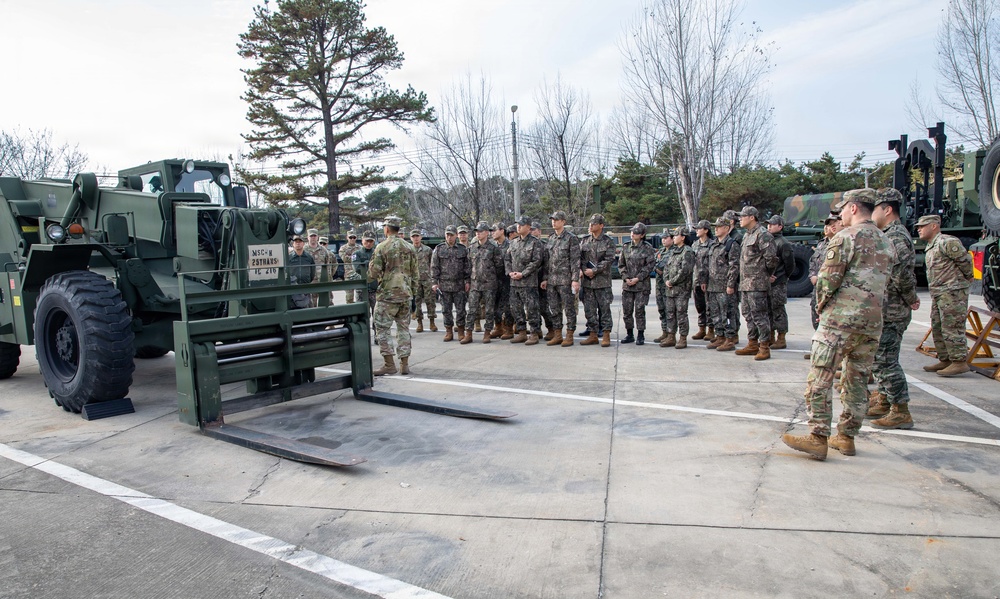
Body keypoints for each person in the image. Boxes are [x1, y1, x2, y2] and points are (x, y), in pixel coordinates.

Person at [782, 189, 894, 460]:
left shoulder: (845, 237)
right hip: (871, 323)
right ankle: (846, 437)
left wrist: (821, 308)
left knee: (820, 377)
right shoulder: (886, 241)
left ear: (853, 208)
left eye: (843, 208)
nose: (841, 214)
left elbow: (828, 280)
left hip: (840, 321)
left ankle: (818, 437)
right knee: (857, 381)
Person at [867, 188, 920, 429]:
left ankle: (900, 410)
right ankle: (886, 400)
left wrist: (911, 298)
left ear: (887, 210)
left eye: (875, 210)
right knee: (881, 358)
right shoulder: (888, 234)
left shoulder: (896, 236)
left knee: (886, 360)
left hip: (893, 309)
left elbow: (901, 274)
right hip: (885, 308)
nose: (871, 215)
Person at [917, 214, 974, 377]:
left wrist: (966, 278)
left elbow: (965, 261)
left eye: (922, 226)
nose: (919, 229)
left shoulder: (947, 242)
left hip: (952, 292)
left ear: (934, 226)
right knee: (938, 326)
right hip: (939, 292)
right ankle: (946, 359)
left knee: (952, 326)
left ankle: (959, 362)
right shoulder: (931, 245)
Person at [367, 216, 418, 376]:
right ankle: (404, 365)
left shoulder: (382, 247)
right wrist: (413, 294)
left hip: (387, 296)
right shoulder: (410, 247)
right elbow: (415, 274)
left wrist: (365, 277)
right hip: (405, 294)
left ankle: (389, 364)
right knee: (403, 329)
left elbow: (373, 272)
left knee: (382, 328)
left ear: (387, 228)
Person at [735, 206, 778, 360]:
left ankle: (764, 346)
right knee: (748, 314)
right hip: (746, 283)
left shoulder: (763, 235)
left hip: (757, 283)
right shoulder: (747, 235)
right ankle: (752, 343)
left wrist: (765, 275)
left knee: (760, 316)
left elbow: (771, 259)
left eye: (743, 216)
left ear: (752, 217)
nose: (740, 219)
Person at [542, 211, 581, 347]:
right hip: (552, 280)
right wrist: (545, 278)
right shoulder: (551, 238)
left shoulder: (571, 238)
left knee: (569, 309)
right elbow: (547, 261)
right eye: (552, 219)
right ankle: (557, 334)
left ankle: (569, 335)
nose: (554, 222)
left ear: (563, 221)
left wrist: (575, 279)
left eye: (557, 220)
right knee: (554, 309)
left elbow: (575, 261)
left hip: (566, 280)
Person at [505, 215, 546, 345]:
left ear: (528, 227)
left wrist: (523, 274)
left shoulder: (535, 242)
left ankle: (534, 333)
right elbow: (507, 259)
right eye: (517, 224)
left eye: (521, 225)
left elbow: (536, 261)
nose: (518, 227)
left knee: (532, 308)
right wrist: (510, 272)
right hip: (514, 282)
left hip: (528, 282)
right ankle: (522, 332)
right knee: (515, 308)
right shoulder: (513, 242)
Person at [463, 221, 504, 344]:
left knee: (489, 310)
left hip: (489, 284)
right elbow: (468, 266)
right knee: (472, 309)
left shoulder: (493, 248)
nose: (478, 233)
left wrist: (491, 278)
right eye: (477, 231)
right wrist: (468, 281)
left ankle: (487, 333)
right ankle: (468, 333)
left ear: (486, 233)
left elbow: (499, 266)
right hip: (475, 284)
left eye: (480, 231)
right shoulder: (472, 247)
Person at [579, 214, 617, 347]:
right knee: (589, 310)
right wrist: (584, 270)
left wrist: (594, 271)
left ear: (601, 225)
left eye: (594, 223)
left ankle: (606, 335)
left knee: (604, 309)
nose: (591, 225)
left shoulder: (608, 241)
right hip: (588, 282)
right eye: (590, 223)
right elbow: (580, 258)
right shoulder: (585, 240)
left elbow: (609, 260)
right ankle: (593, 335)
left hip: (602, 282)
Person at [705, 215, 741, 351]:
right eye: (715, 227)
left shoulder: (731, 244)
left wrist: (731, 284)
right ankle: (720, 336)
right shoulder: (713, 244)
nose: (716, 229)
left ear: (726, 228)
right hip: (713, 285)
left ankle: (730, 339)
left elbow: (734, 266)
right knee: (715, 313)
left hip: (725, 286)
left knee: (728, 313)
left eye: (719, 227)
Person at [618, 222, 656, 345]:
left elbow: (650, 265)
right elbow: (621, 264)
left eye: (636, 232)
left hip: (641, 286)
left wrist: (638, 278)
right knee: (627, 311)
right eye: (632, 232)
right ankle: (629, 334)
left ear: (642, 235)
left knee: (639, 311)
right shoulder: (626, 247)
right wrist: (625, 277)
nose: (632, 234)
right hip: (628, 285)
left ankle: (640, 334)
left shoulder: (647, 248)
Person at [431, 225, 470, 342]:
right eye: (447, 235)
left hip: (459, 285)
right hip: (444, 285)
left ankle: (461, 330)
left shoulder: (462, 249)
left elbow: (467, 267)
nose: (449, 237)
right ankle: (449, 331)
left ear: (456, 236)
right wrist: (434, 282)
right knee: (446, 310)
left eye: (451, 235)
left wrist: (467, 281)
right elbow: (434, 267)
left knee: (461, 310)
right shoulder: (439, 249)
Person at [660, 226, 695, 348]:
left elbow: (685, 271)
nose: (674, 237)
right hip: (670, 289)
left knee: (681, 314)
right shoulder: (674, 251)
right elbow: (666, 268)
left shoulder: (687, 251)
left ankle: (683, 338)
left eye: (676, 235)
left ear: (683, 237)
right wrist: (666, 280)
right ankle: (671, 336)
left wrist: (672, 281)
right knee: (670, 313)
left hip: (681, 289)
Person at [766, 215, 795, 350]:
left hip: (778, 282)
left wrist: (782, 276)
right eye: (768, 224)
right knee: (768, 310)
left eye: (772, 224)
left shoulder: (783, 243)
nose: (769, 227)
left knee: (778, 310)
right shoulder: (769, 241)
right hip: (767, 282)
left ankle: (781, 337)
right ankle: (770, 336)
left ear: (780, 227)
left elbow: (790, 265)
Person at [531, 221, 556, 339]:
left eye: (534, 229)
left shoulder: (545, 245)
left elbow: (547, 264)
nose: (531, 232)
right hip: (530, 280)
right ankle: (537, 329)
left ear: (539, 231)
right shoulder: (527, 244)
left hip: (542, 279)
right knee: (532, 307)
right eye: (530, 229)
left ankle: (551, 328)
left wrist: (545, 278)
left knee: (543, 307)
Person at [409, 229, 437, 333]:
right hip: (415, 281)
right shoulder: (408, 250)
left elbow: (432, 264)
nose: (416, 238)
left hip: (427, 279)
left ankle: (432, 322)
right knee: (417, 302)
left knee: (430, 301)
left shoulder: (427, 250)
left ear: (421, 237)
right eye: (413, 236)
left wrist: (433, 279)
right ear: (411, 238)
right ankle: (419, 323)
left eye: (417, 236)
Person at [490, 222, 514, 340]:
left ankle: (509, 329)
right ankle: (498, 327)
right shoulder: (492, 245)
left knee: (508, 306)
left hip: (507, 280)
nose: (492, 233)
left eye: (494, 230)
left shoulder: (511, 245)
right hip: (494, 279)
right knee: (494, 304)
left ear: (502, 230)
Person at [691, 220, 714, 342]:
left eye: (699, 228)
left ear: (706, 230)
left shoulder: (712, 244)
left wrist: (705, 278)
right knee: (699, 305)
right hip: (696, 279)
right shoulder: (695, 245)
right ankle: (702, 328)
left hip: (708, 280)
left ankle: (711, 329)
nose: (697, 231)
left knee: (709, 305)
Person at [304, 228, 335, 306]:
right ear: (308, 237)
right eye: (311, 236)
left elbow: (328, 265)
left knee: (326, 302)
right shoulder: (304, 250)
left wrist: (329, 277)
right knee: (311, 304)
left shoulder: (323, 250)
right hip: (310, 281)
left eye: (314, 236)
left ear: (317, 237)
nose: (313, 238)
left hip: (322, 280)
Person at [653, 229, 674, 343]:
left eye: (666, 238)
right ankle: (664, 332)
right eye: (662, 238)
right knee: (661, 309)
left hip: (669, 285)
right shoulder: (660, 252)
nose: (663, 240)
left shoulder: (674, 252)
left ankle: (671, 334)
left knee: (669, 311)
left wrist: (659, 268)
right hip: (659, 285)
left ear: (672, 239)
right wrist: (656, 268)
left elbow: (665, 267)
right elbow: (653, 263)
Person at [352, 231, 378, 316]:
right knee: (362, 315)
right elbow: (358, 269)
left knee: (377, 314)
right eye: (367, 241)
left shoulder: (377, 253)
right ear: (362, 240)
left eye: (371, 241)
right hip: (362, 289)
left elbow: (380, 268)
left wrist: (366, 264)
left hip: (374, 288)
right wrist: (369, 264)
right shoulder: (357, 254)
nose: (368, 243)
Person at [287, 234, 315, 309]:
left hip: (306, 287)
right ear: (293, 244)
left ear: (303, 243)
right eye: (296, 242)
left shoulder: (309, 257)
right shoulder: (289, 258)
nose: (298, 243)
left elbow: (312, 272)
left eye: (300, 242)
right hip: (293, 289)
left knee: (308, 308)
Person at [339, 232, 360, 303]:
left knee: (360, 296)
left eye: (354, 237)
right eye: (350, 237)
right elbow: (344, 258)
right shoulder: (343, 248)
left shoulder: (360, 248)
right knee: (349, 297)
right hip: (349, 275)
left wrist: (350, 257)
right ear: (347, 238)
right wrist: (356, 258)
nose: (352, 239)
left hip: (359, 275)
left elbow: (362, 258)